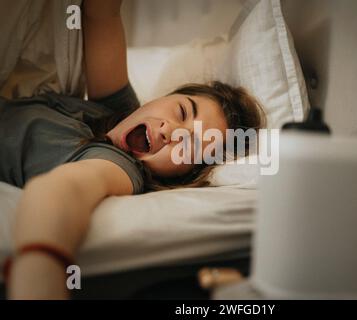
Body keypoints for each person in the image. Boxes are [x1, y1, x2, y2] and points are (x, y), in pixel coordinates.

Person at [0, 0, 265, 299]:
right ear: (161, 98)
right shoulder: (117, 111)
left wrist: (40, 265)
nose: (171, 131)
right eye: (181, 111)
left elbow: (63, 189)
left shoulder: (120, 164)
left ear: (180, 174)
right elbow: (102, 14)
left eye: (189, 145)